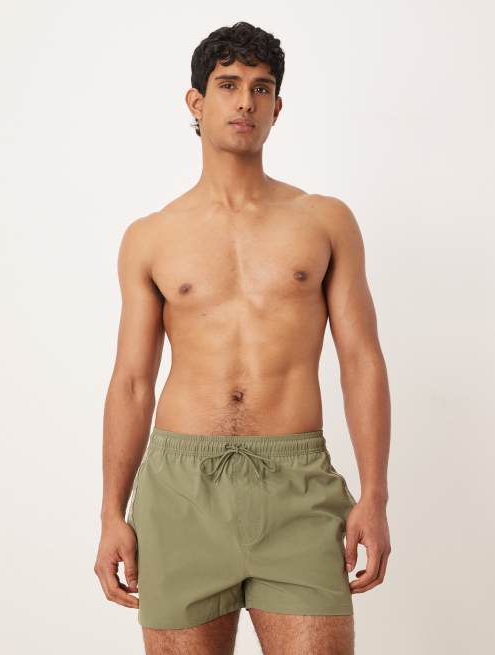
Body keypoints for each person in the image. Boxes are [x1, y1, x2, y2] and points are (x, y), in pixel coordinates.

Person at [94, 21, 391, 655]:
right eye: (228, 85)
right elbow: (133, 381)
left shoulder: (324, 220)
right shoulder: (151, 236)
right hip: (180, 491)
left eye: (261, 88)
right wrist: (110, 513)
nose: (246, 102)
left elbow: (361, 360)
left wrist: (375, 495)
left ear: (277, 108)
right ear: (196, 102)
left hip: (297, 485)